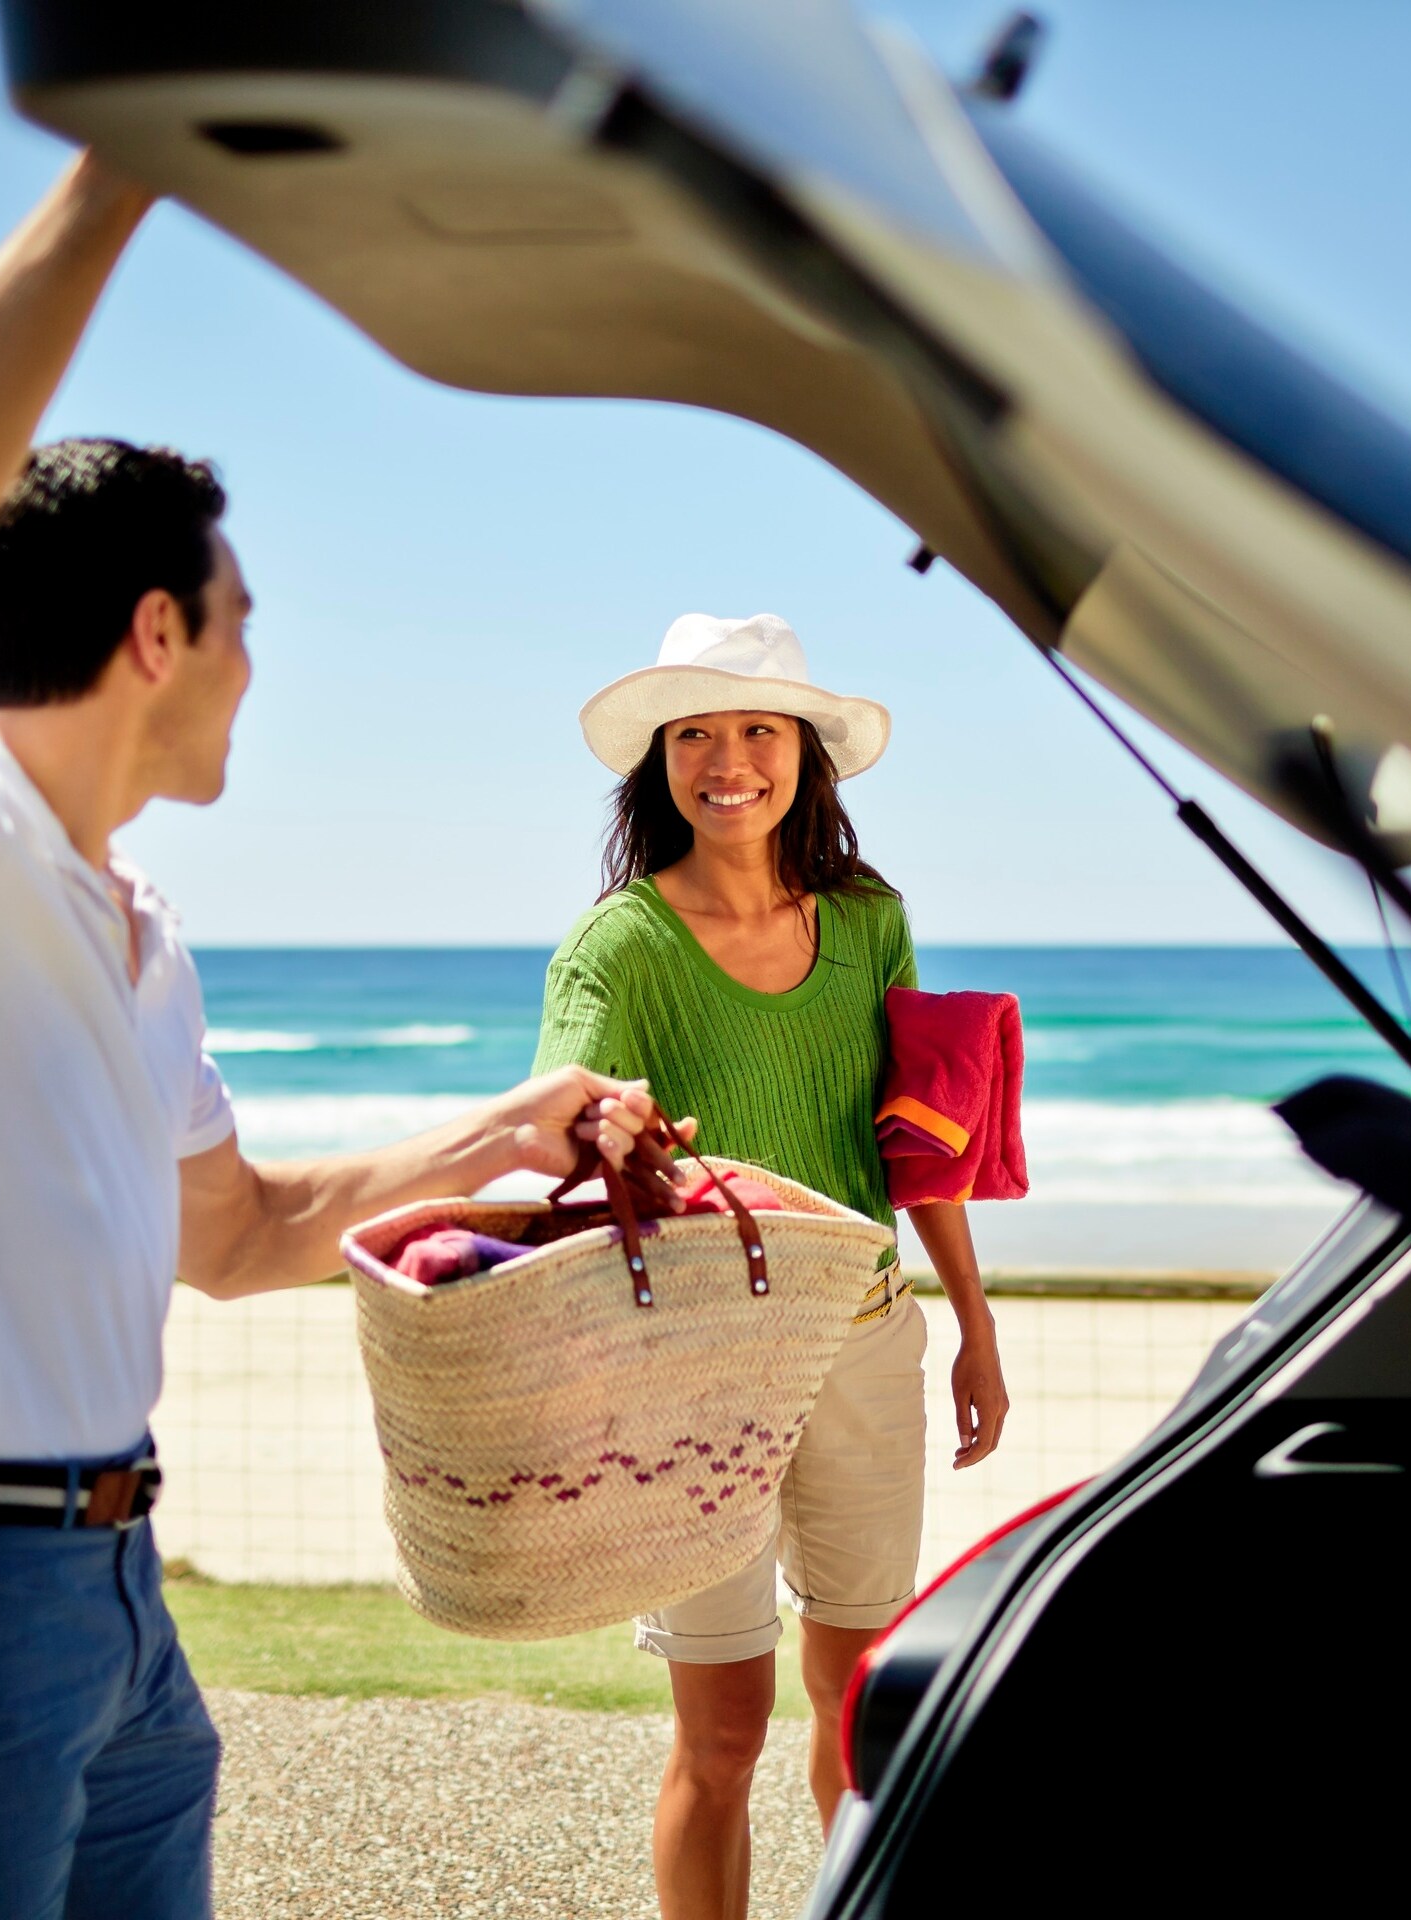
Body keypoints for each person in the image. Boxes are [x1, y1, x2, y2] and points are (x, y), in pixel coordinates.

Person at [0, 153, 675, 1920]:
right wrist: (120, 177)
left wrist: (508, 1132)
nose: (256, 667)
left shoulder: (139, 929)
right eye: (243, 626)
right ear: (157, 633)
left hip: (106, 1590)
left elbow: (234, 1236)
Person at [533, 612, 1010, 1920]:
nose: (728, 760)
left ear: (805, 753)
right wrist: (603, 1130)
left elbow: (919, 1142)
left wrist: (974, 1325)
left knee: (862, 1706)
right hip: (696, 1370)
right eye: (695, 733)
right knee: (723, 1731)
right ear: (661, 761)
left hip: (866, 1336)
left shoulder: (870, 921)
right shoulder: (620, 944)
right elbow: (561, 1106)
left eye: (757, 730)